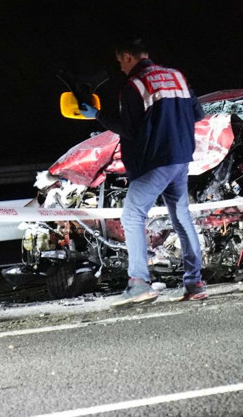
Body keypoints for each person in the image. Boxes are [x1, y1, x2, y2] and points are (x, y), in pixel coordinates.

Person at [80, 37, 207, 306]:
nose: (121, 68)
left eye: (120, 62)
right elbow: (198, 114)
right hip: (181, 158)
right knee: (181, 216)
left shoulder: (135, 85)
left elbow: (129, 128)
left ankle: (138, 283)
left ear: (127, 56)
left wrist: (97, 115)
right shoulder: (177, 76)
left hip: (154, 161)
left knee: (132, 215)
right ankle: (194, 283)